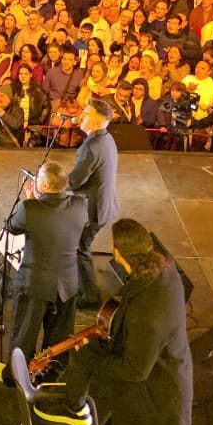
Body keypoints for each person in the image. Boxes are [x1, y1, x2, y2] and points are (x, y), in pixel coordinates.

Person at [57, 218, 193, 425]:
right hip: (160, 367)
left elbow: (135, 370)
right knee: (90, 359)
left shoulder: (149, 314)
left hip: (163, 385)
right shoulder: (163, 268)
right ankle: (78, 411)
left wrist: (97, 360)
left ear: (119, 254)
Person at [0, 163, 88, 386]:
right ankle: (52, 376)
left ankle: (15, 376)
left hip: (35, 284)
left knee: (25, 333)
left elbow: (12, 227)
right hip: (67, 284)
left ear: (44, 186)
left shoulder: (30, 209)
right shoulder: (80, 205)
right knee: (60, 335)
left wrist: (31, 200)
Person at [67, 97, 119, 307]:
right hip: (103, 205)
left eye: (86, 113)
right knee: (81, 247)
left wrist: (48, 185)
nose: (81, 116)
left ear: (97, 120)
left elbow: (75, 181)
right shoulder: (106, 138)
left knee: (80, 248)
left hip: (93, 210)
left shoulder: (91, 147)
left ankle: (89, 296)